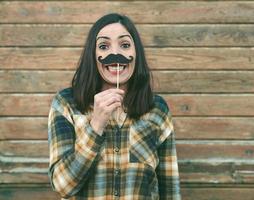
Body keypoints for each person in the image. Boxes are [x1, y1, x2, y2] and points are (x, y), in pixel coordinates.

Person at [48, 13, 181, 200]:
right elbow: (62, 186)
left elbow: (170, 187)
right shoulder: (66, 103)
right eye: (104, 46)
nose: (115, 54)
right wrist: (96, 125)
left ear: (136, 53)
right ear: (92, 55)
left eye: (125, 45)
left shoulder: (157, 109)